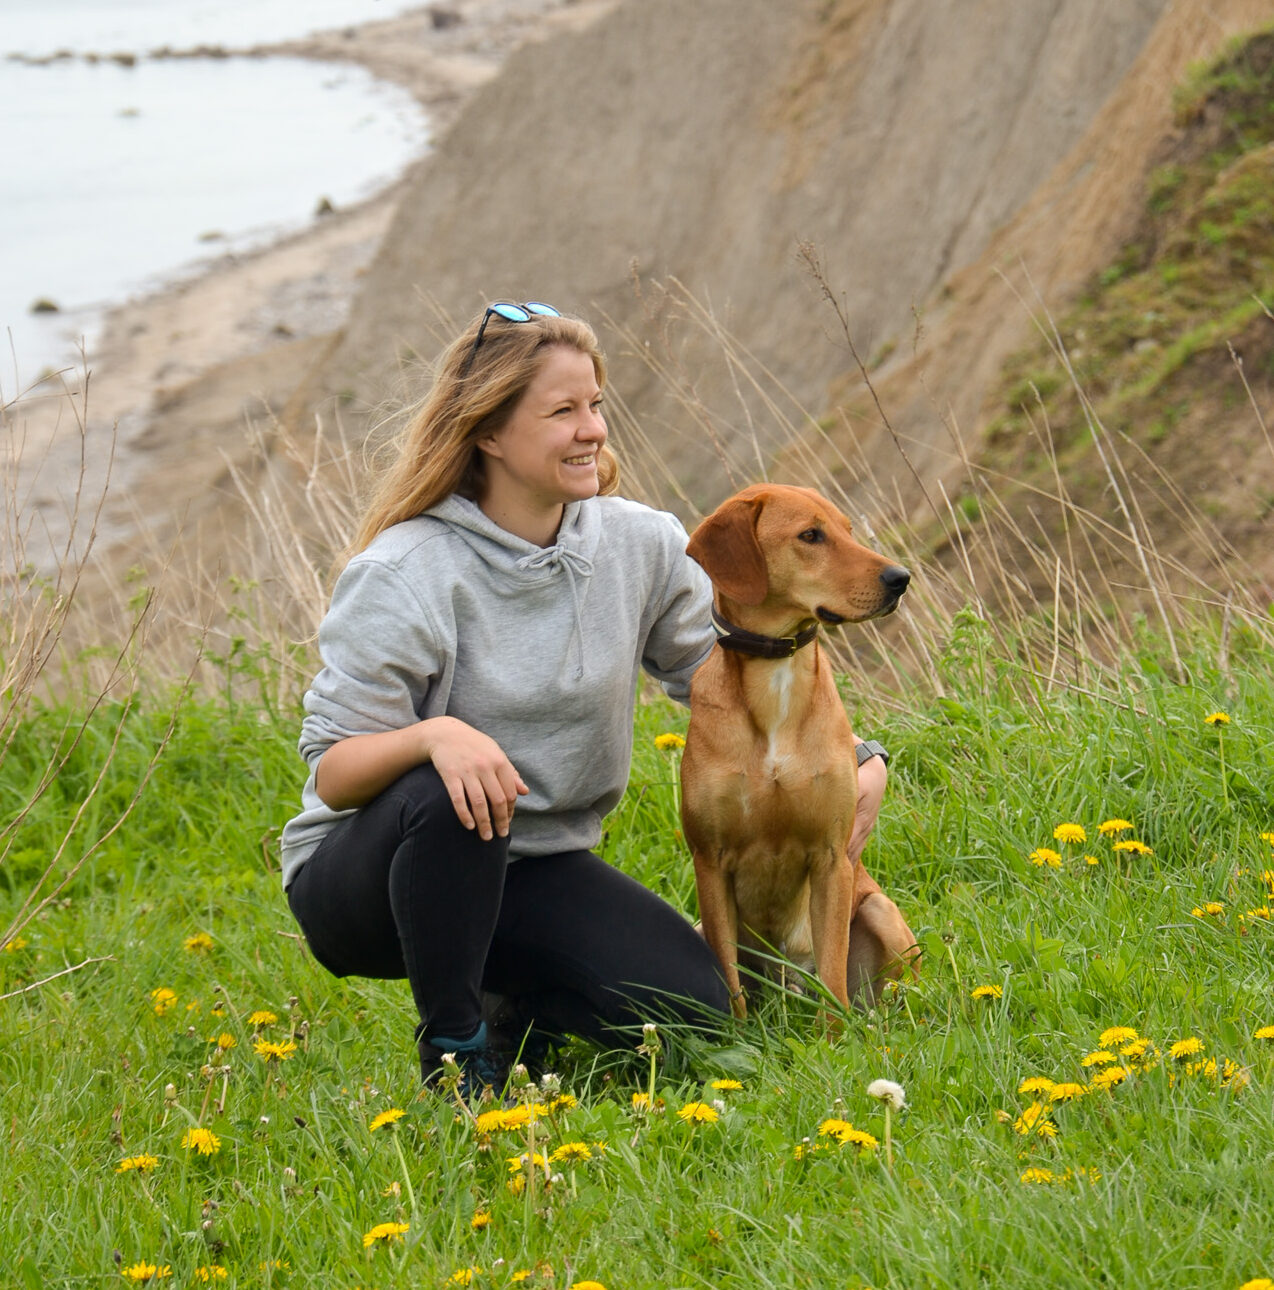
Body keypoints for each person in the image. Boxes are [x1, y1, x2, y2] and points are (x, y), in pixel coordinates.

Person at [279, 301, 890, 1093]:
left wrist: (855, 758)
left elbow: (722, 668)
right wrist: (435, 738)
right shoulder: (406, 570)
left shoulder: (640, 544)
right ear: (489, 432)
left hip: (537, 868)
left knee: (694, 1017)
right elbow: (334, 769)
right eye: (563, 411)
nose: (593, 429)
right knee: (453, 786)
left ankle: (520, 1011)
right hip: (374, 880)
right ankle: (458, 1054)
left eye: (595, 405)